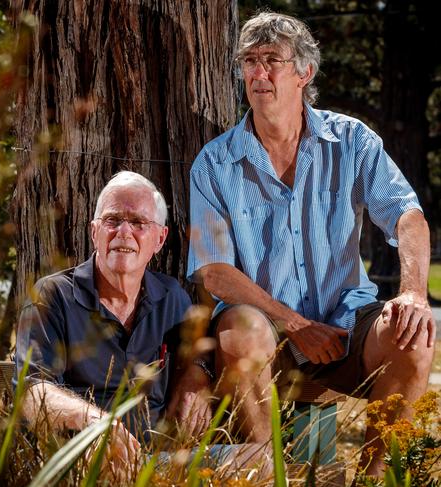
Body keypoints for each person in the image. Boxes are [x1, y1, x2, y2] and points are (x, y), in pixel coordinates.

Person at [187, 11, 436, 477]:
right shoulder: (215, 163)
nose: (259, 73)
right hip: (266, 332)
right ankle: (266, 472)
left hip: (347, 324)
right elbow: (212, 270)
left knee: (414, 335)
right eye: (250, 61)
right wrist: (296, 324)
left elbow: (408, 215)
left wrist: (414, 292)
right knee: (240, 326)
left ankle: (375, 477)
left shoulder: (352, 141)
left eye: (272, 61)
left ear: (304, 73)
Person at [14, 171, 218, 476]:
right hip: (85, 460)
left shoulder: (172, 299)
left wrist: (197, 375)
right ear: (94, 232)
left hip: (161, 463)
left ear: (159, 239)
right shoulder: (52, 295)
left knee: (260, 460)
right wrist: (99, 425)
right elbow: (32, 394)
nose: (124, 231)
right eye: (112, 220)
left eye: (138, 223)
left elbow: (197, 358)